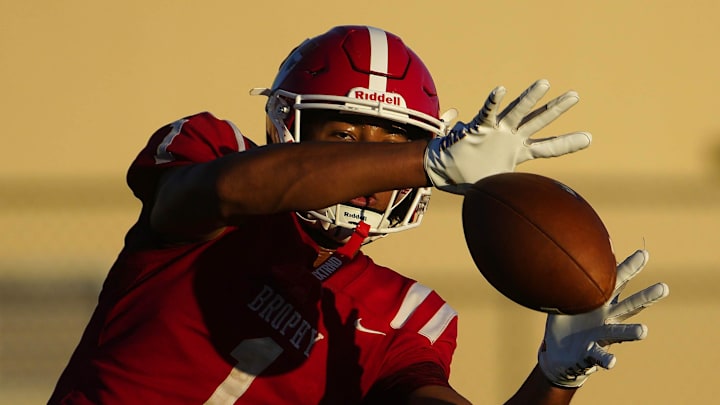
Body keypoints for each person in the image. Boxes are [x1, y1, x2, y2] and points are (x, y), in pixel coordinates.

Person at [49, 25, 669, 404]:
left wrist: (555, 378)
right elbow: (221, 195)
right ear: (287, 125)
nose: (374, 167)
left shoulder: (405, 316)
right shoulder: (213, 157)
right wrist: (420, 158)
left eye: (392, 143)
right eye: (343, 136)